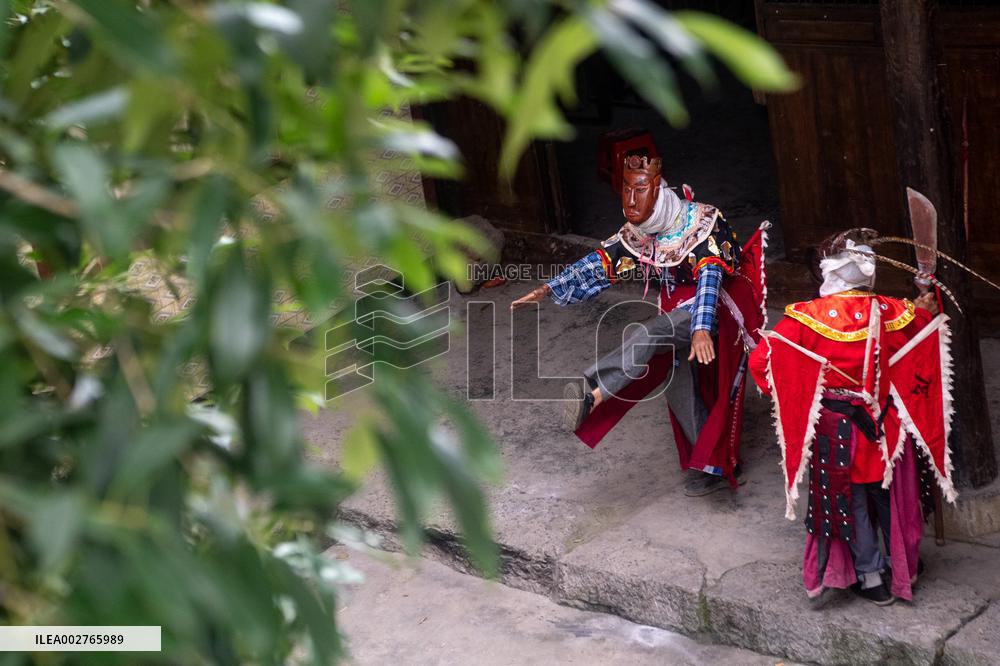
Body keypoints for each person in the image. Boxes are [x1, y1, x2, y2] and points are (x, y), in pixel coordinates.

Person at [512, 154, 767, 496]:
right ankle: (715, 462)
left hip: (714, 310)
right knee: (676, 381)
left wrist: (702, 328)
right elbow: (603, 261)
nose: (631, 201)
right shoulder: (640, 231)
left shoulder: (702, 221)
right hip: (676, 312)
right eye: (626, 191)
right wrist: (549, 288)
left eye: (640, 190)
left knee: (646, 334)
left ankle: (594, 391)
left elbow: (709, 277)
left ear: (658, 188)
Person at [748, 230, 956, 605]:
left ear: (830, 273)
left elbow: (762, 362)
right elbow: (924, 327)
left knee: (851, 502)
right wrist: (924, 299)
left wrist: (796, 396)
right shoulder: (893, 311)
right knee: (888, 496)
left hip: (836, 427)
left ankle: (871, 576)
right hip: (883, 424)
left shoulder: (804, 318)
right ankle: (903, 565)